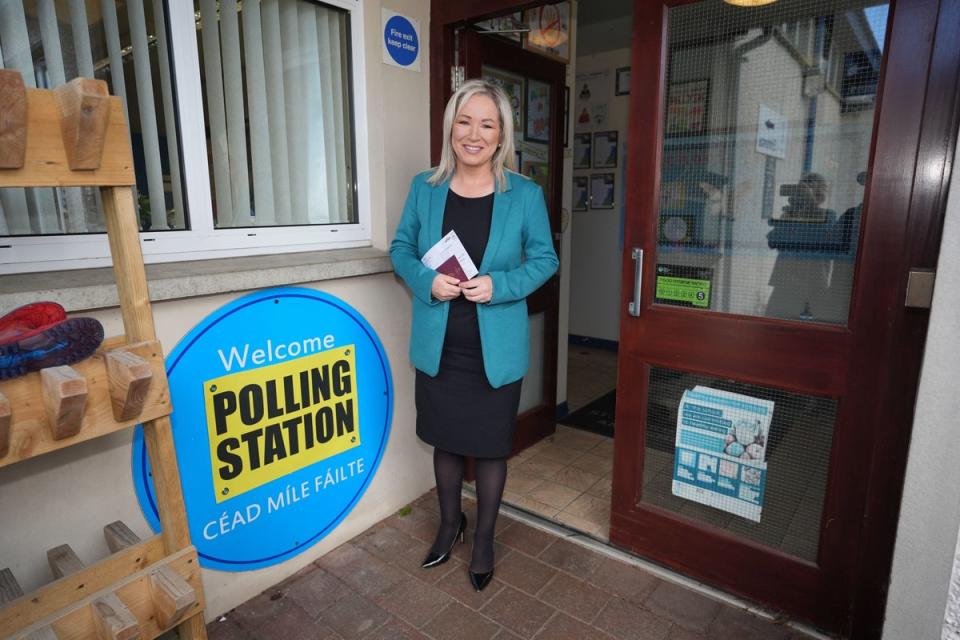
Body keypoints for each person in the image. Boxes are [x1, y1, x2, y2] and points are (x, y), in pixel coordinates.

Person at [390, 79, 559, 592]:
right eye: (465, 121)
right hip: (440, 346)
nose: (474, 133)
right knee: (445, 442)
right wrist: (427, 280)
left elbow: (545, 260)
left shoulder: (524, 195)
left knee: (488, 449)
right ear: (450, 128)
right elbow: (400, 250)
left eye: (487, 123)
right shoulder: (426, 187)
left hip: (495, 351)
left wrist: (498, 285)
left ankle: (483, 539)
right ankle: (449, 524)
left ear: (502, 133)